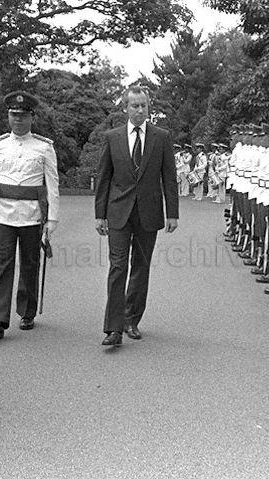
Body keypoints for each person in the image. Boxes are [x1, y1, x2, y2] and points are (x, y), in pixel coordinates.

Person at [94, 85, 179, 346]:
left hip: (149, 213)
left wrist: (172, 213)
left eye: (143, 105)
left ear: (148, 107)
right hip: (118, 212)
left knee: (140, 268)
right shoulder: (113, 137)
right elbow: (103, 177)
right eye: (134, 105)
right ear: (125, 108)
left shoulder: (161, 137)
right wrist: (100, 214)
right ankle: (113, 328)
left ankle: (132, 319)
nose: (139, 110)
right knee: (118, 266)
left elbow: (169, 177)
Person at [0, 91, 59, 339]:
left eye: (23, 116)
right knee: (1, 265)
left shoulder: (44, 148)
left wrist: (52, 219)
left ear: (31, 118)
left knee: (29, 264)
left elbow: (52, 185)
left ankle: (27, 311)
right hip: (3, 214)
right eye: (14, 115)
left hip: (32, 215)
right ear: (8, 116)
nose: (18, 121)